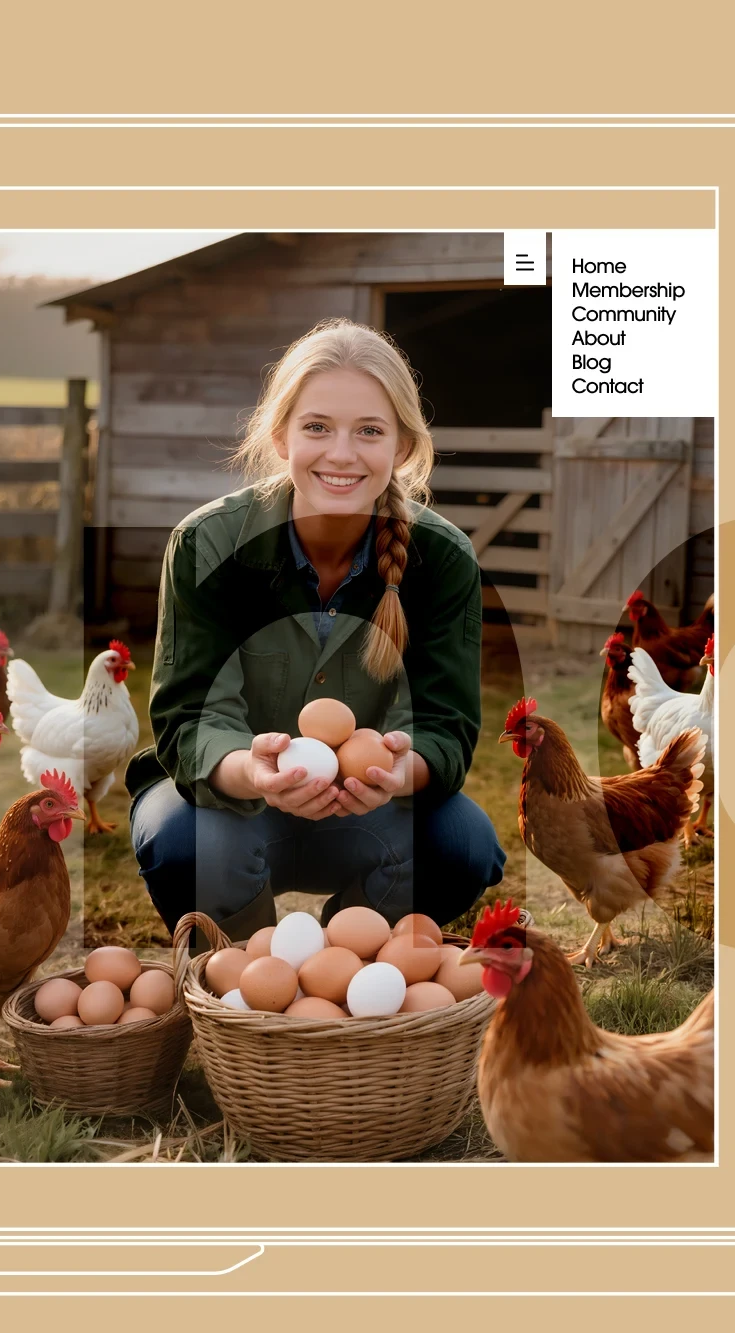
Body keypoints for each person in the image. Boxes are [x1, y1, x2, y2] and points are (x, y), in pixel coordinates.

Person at [125, 319, 504, 940]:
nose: (342, 454)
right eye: (318, 427)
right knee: (179, 839)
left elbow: (446, 728)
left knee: (463, 844)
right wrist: (254, 771)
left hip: (369, 815)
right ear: (281, 435)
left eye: (370, 431)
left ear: (403, 447)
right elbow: (189, 717)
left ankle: (350, 953)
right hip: (237, 809)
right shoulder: (206, 545)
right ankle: (243, 966)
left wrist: (394, 774)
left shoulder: (444, 559)